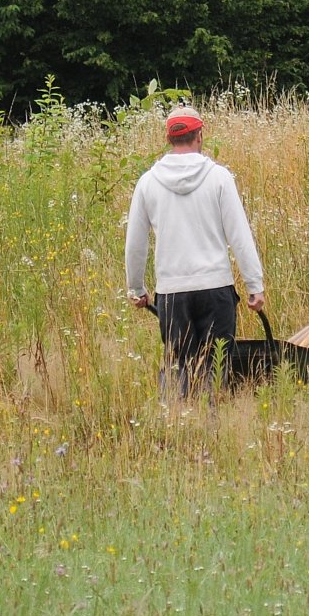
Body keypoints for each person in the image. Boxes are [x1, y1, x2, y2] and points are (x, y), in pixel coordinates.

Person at [125, 107, 267, 401]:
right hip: (216, 289)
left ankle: (181, 419)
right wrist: (254, 285)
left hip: (172, 293)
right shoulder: (219, 178)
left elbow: (135, 243)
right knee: (215, 368)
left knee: (180, 366)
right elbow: (240, 235)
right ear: (200, 135)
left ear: (168, 138)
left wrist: (136, 288)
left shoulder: (148, 182)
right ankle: (210, 420)